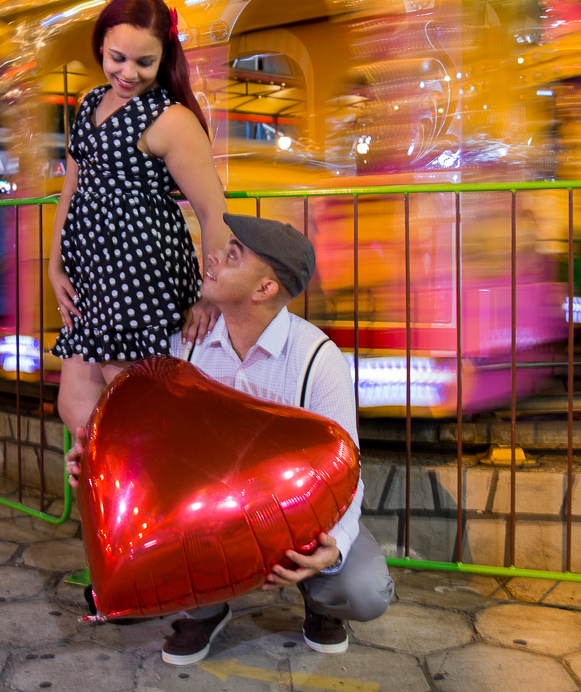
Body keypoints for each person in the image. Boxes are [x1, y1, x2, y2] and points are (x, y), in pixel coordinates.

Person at [66, 214, 393, 665]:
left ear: (263, 290)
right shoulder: (185, 345)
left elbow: (347, 466)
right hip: (212, 526)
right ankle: (206, 610)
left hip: (291, 522)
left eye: (233, 255)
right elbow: (150, 443)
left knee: (363, 589)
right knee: (126, 598)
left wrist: (331, 546)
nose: (213, 256)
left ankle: (320, 605)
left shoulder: (318, 359)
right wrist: (97, 467)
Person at [49, 0, 230, 435]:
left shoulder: (170, 119)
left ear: (164, 57)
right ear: (100, 47)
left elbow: (213, 211)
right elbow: (70, 188)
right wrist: (56, 266)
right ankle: (111, 495)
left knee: (136, 409)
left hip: (139, 273)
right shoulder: (90, 102)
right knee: (78, 410)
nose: (128, 72)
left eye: (144, 63)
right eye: (117, 58)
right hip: (92, 273)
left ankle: (155, 492)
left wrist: (212, 291)